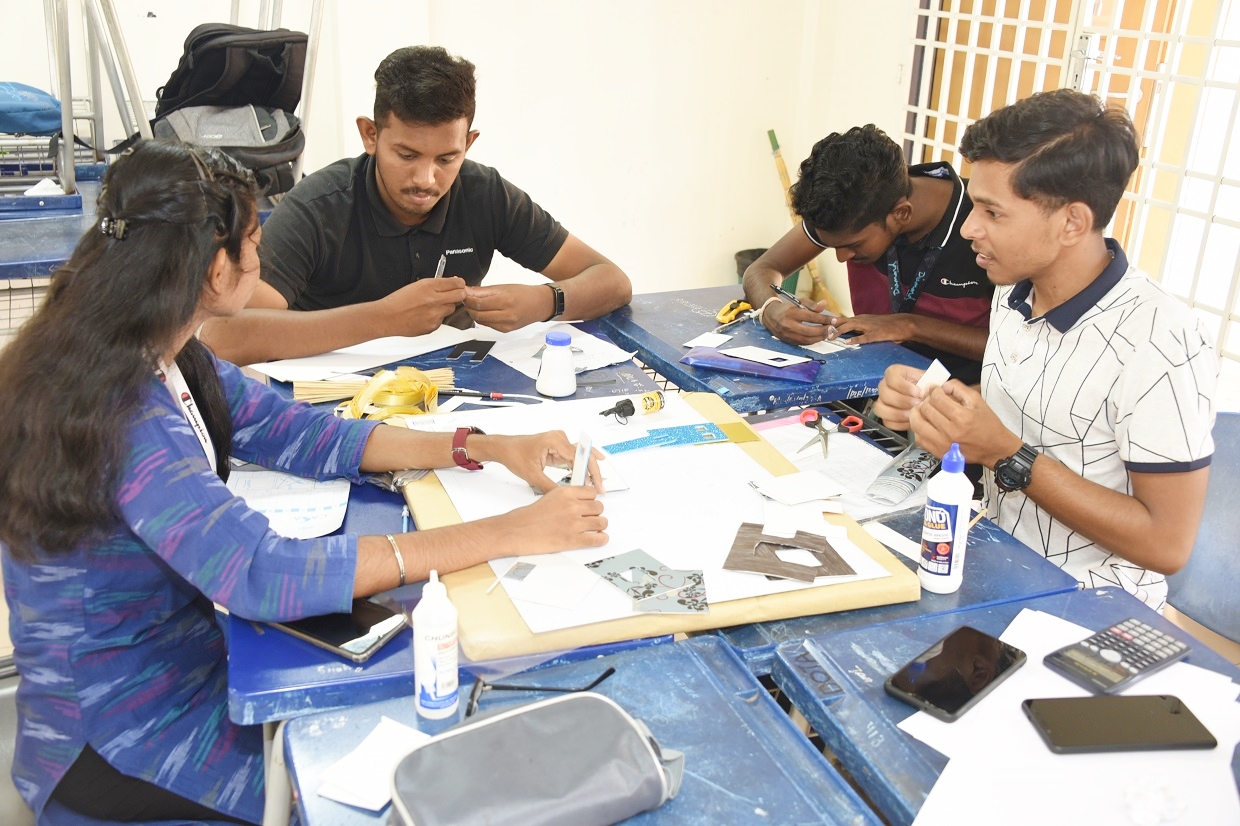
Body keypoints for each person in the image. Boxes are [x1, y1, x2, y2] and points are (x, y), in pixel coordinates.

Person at [0, 140, 609, 824]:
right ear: (214, 269)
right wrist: (508, 532)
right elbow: (261, 573)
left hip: (172, 670)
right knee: (362, 789)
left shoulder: (154, 351)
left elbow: (302, 432)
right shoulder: (127, 412)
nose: (260, 257)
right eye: (254, 242)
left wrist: (482, 446)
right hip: (122, 734)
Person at [874, 89, 1216, 610]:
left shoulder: (1161, 339)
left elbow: (1166, 545)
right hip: (996, 564)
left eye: (993, 212)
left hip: (1092, 606)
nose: (968, 229)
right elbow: (1032, 410)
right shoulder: (1013, 291)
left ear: (1072, 223)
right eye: (973, 204)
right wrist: (936, 404)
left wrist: (1006, 455)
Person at [200, 46, 632, 366]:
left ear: (468, 143)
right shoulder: (318, 208)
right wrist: (382, 319)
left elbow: (612, 281)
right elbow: (225, 334)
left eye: (446, 159)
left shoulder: (484, 193)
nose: (426, 179)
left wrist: (545, 301)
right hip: (332, 397)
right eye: (407, 155)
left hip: (454, 387)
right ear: (371, 135)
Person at [742, 124, 992, 384]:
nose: (841, 257)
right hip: (871, 378)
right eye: (832, 245)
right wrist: (772, 309)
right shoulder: (852, 204)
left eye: (854, 245)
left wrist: (910, 325)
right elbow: (761, 269)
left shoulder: (982, 224)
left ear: (901, 214)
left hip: (961, 393)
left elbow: (1011, 351)